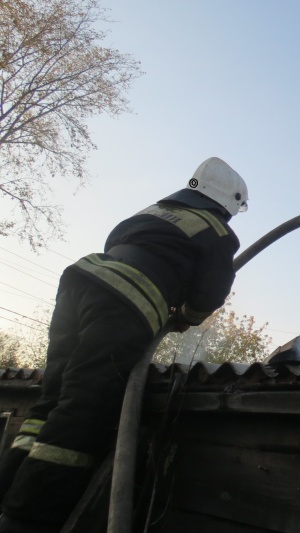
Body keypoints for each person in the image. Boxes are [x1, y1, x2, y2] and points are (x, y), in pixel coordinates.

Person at [0, 157, 248, 532]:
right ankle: (26, 518)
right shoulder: (218, 231)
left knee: (51, 399)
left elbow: (118, 244)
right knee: (84, 407)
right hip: (123, 302)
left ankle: (6, 489)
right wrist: (187, 316)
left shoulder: (154, 211)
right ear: (230, 203)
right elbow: (211, 292)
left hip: (82, 280)